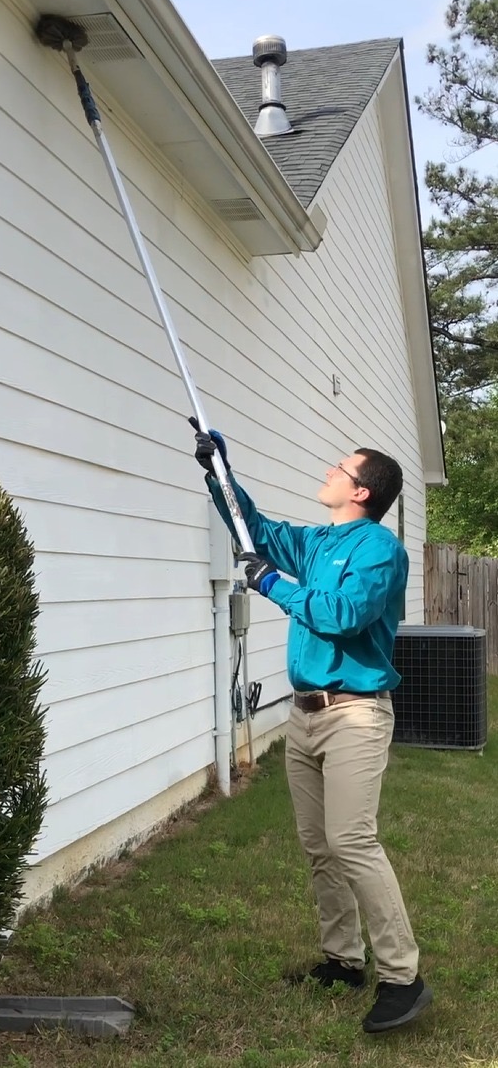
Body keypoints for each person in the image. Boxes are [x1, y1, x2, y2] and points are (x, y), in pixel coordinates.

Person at [190, 419, 432, 1034]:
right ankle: (343, 961)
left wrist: (271, 585)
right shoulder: (321, 543)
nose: (329, 471)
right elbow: (260, 533)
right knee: (320, 847)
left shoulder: (379, 550)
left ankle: (403, 978)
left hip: (354, 715)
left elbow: (342, 615)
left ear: (363, 492)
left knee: (352, 841)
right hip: (306, 715)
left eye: (340, 469)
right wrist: (220, 472)